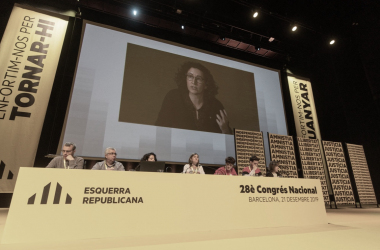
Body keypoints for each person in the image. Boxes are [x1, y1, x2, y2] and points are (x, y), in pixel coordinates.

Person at [155, 61, 232, 134]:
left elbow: (227, 142)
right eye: (190, 76)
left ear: (206, 84)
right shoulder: (173, 97)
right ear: (185, 79)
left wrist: (225, 130)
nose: (193, 82)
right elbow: (159, 129)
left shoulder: (216, 105)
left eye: (199, 78)